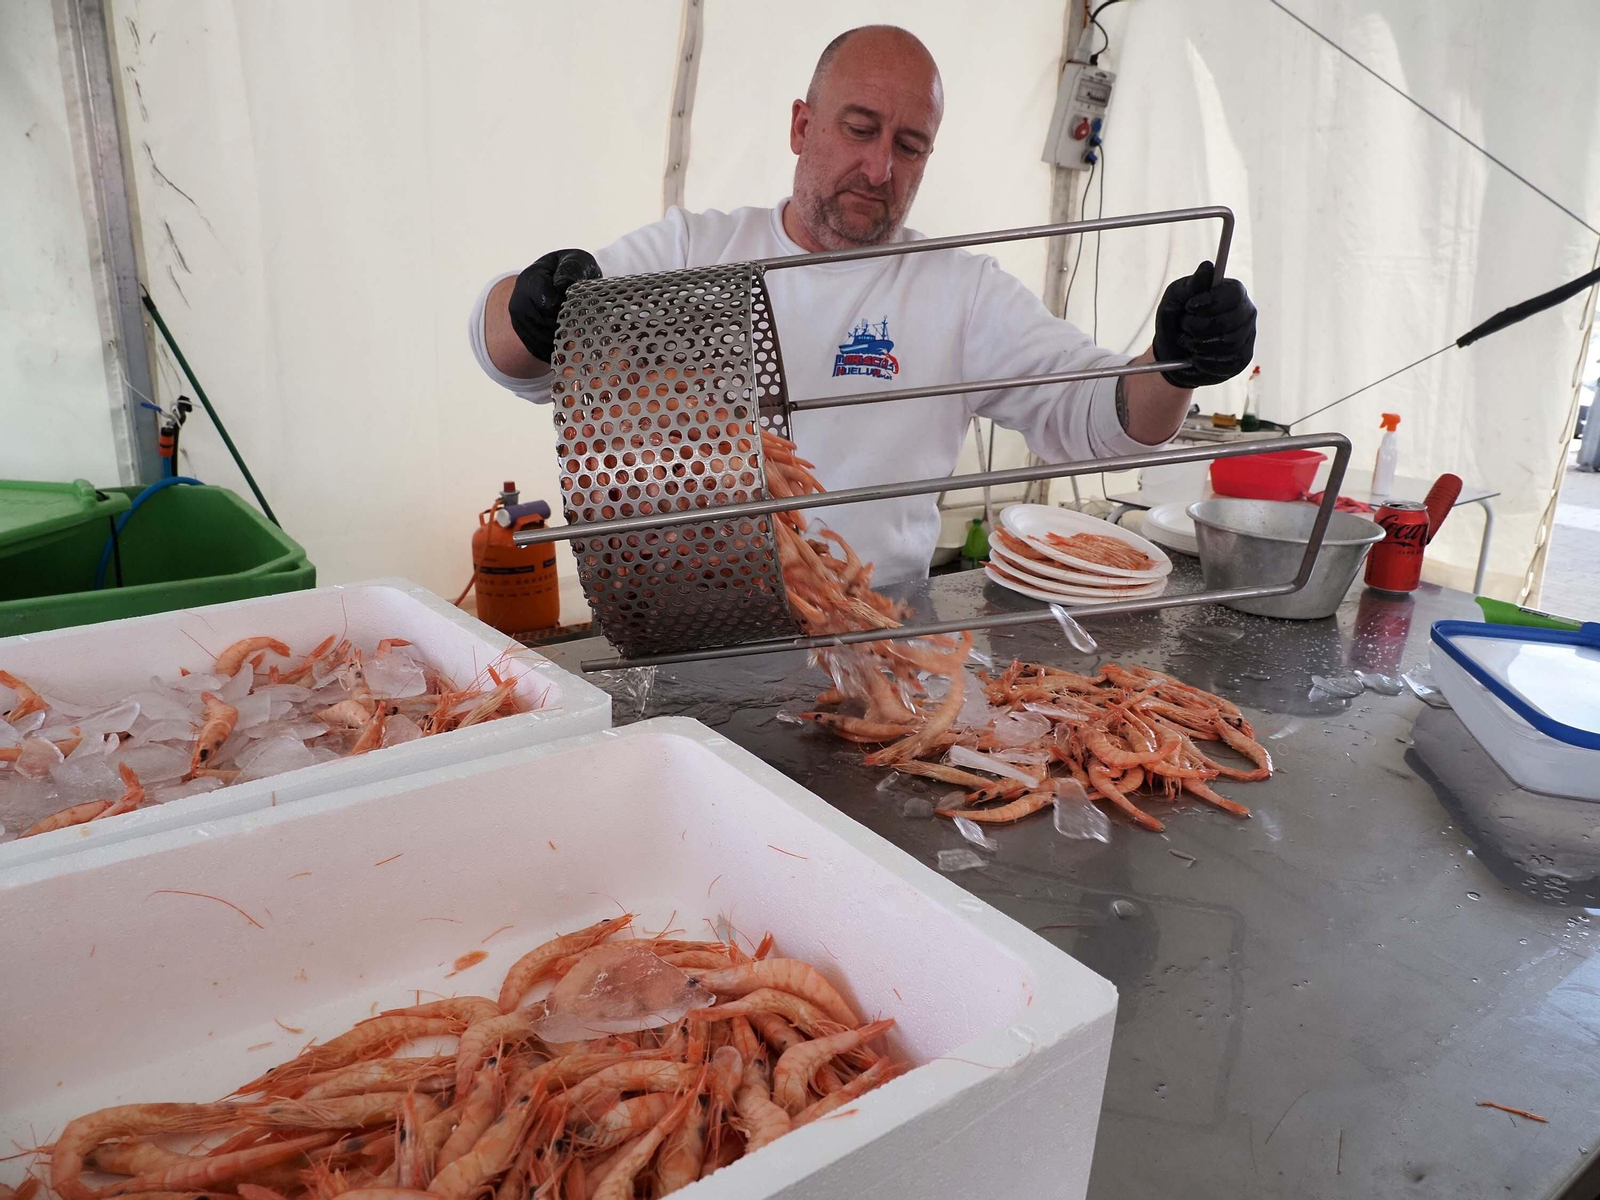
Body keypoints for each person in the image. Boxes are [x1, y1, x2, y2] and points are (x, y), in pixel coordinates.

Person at [470, 25, 1255, 585]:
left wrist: (1179, 361)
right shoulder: (689, 251)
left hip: (882, 632)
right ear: (802, 125)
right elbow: (515, 358)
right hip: (694, 625)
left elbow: (1102, 420)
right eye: (859, 129)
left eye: (909, 146)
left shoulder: (955, 289)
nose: (880, 168)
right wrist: (533, 304)